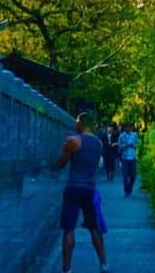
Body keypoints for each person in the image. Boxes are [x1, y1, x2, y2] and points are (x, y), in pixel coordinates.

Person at [56, 112, 110, 273]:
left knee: (69, 228)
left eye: (77, 122)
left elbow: (61, 163)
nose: (75, 124)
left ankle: (66, 269)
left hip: (73, 187)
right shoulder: (98, 143)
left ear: (80, 123)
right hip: (89, 189)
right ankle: (104, 263)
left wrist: (64, 151)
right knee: (94, 227)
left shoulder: (74, 140)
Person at [117, 121, 139, 196]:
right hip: (124, 158)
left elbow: (137, 144)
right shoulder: (121, 136)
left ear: (132, 128)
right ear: (125, 128)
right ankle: (126, 191)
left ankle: (130, 187)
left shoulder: (135, 135)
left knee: (133, 175)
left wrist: (133, 145)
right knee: (125, 175)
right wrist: (125, 145)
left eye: (130, 127)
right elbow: (119, 147)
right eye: (127, 127)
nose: (129, 128)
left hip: (133, 157)